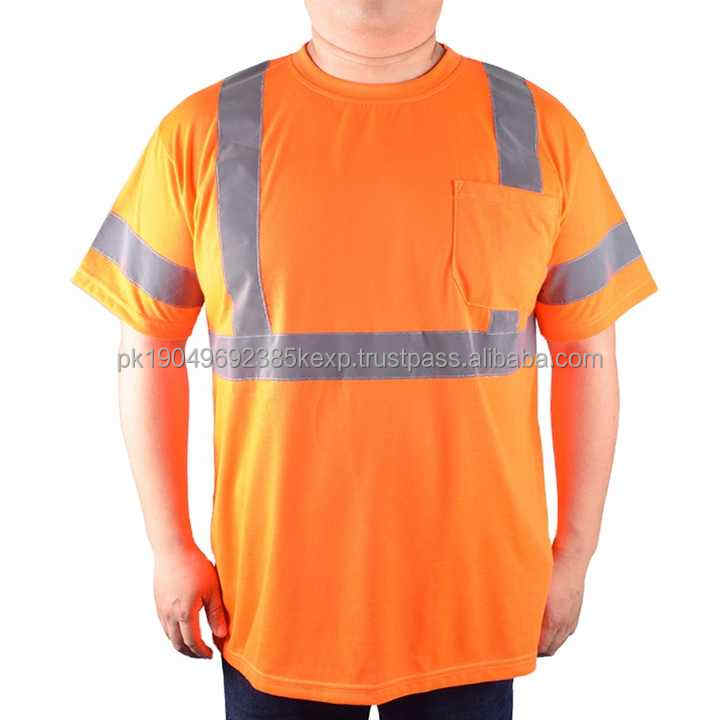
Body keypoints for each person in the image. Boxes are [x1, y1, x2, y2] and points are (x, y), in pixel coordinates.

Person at [73, 1, 656, 717]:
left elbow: (587, 350)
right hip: (273, 602)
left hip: (473, 595)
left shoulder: (537, 129)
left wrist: (574, 554)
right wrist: (170, 546)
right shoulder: (202, 132)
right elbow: (148, 345)